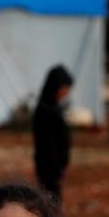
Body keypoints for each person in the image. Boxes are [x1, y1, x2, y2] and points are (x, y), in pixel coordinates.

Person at [32, 65, 73, 203]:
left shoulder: (54, 108)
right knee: (50, 202)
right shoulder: (45, 111)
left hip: (54, 167)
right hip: (48, 168)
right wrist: (56, 169)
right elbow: (47, 145)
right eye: (64, 88)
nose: (65, 93)